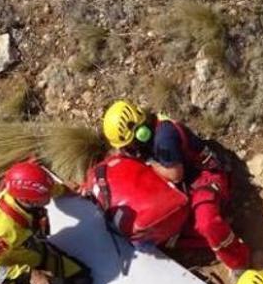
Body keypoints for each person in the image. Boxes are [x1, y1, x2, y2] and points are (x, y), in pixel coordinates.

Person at [101, 100, 251, 273]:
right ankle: (220, 229)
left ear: (140, 134)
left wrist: (149, 164)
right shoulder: (148, 134)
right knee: (164, 231)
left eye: (128, 145)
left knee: (206, 223)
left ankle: (238, 259)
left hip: (206, 178)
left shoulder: (164, 138)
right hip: (186, 182)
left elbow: (175, 174)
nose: (128, 150)